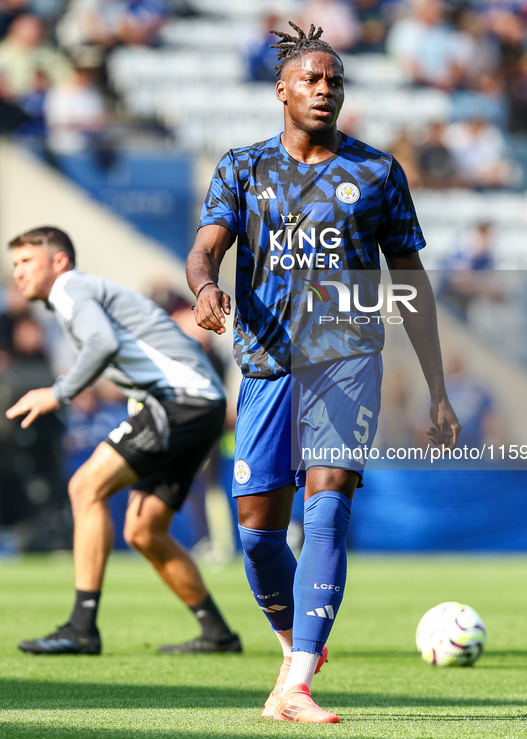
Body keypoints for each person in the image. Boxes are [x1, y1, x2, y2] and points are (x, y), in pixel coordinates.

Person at [185, 21, 460, 724]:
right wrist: (207, 289)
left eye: (334, 81)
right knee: (255, 531)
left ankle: (299, 679)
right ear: (281, 89)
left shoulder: (376, 172)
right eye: (311, 79)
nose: (324, 90)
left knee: (329, 499)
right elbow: (205, 248)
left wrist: (435, 388)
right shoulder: (242, 168)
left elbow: (411, 281)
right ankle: (293, 646)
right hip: (268, 364)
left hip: (346, 359)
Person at [6, 226, 241, 656]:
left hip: (178, 401)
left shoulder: (70, 288)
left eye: (26, 261)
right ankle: (218, 634)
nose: (17, 272)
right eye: (15, 263)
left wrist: (57, 393)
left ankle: (81, 627)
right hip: (199, 404)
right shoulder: (83, 293)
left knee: (84, 487)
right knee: (144, 530)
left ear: (58, 262)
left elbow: (102, 342)